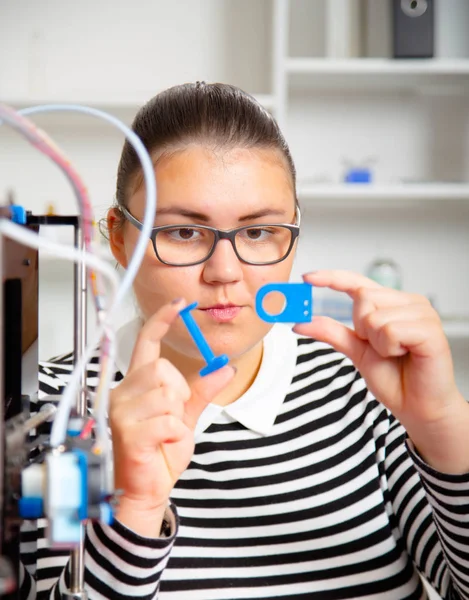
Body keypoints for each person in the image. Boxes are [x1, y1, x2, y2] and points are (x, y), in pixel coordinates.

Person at [21, 82, 469, 599]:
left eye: (258, 233)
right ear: (120, 238)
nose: (225, 272)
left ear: (293, 232)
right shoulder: (45, 410)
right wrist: (135, 511)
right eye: (184, 233)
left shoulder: (371, 393)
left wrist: (445, 424)